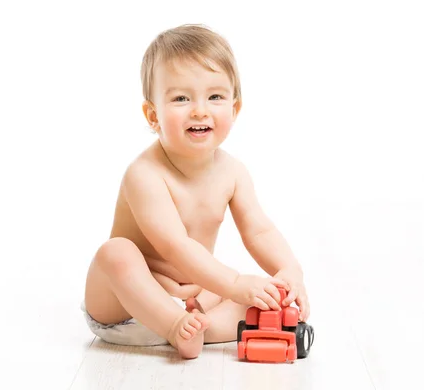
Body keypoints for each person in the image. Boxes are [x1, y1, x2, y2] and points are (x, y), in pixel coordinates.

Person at [83, 24, 310, 359]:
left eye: (215, 96)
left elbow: (259, 230)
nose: (200, 110)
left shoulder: (233, 171)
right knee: (115, 254)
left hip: (194, 295)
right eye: (181, 98)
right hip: (125, 305)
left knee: (265, 294)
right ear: (153, 115)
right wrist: (233, 283)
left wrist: (289, 273)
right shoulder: (144, 174)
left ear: (234, 109)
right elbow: (175, 246)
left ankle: (200, 329)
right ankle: (175, 325)